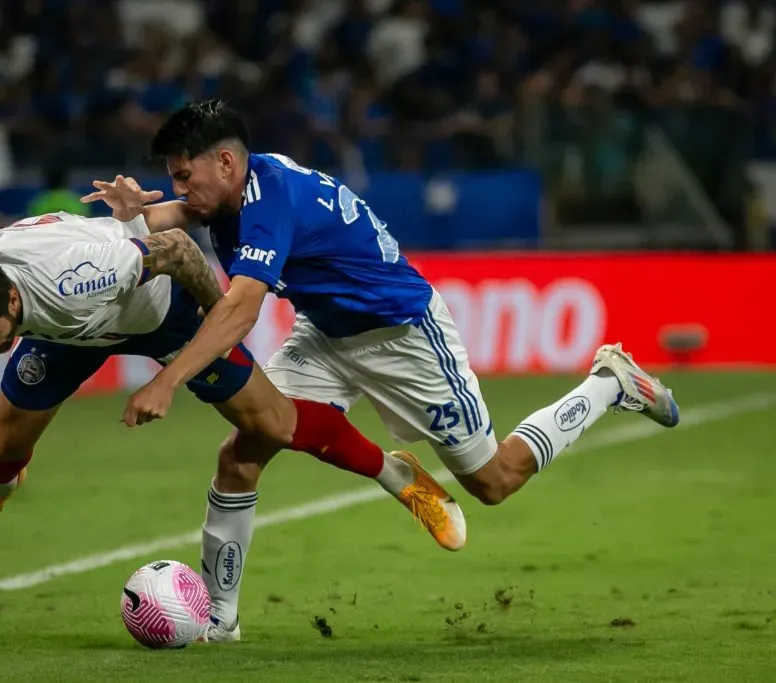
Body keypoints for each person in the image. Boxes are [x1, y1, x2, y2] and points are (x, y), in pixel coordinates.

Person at [99, 99, 680, 641]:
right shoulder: (241, 184)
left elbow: (242, 308)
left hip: (404, 338)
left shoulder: (271, 201)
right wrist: (136, 216)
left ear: (225, 161)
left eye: (184, 175)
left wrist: (168, 379)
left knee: (495, 481)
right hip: (326, 333)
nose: (177, 189)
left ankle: (610, 383)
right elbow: (186, 210)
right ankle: (221, 621)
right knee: (241, 452)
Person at [0, 205, 460, 571]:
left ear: (12, 296)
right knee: (6, 439)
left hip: (159, 312)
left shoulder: (84, 271)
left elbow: (182, 249)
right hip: (65, 335)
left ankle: (399, 475)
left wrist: (202, 337)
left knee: (272, 424)